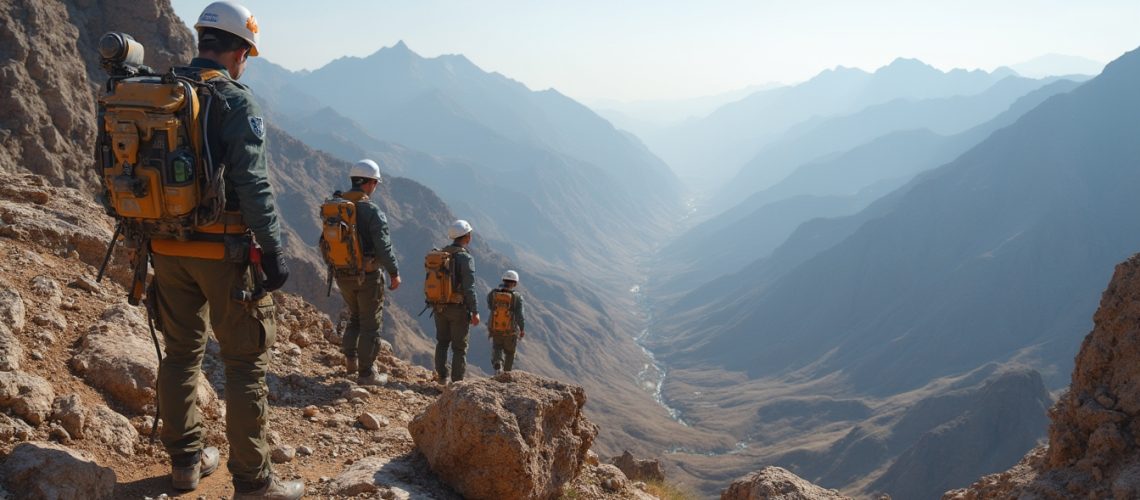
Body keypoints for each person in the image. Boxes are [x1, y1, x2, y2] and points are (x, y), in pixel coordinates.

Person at [150, 2, 303, 498]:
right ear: (238, 51)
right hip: (225, 256)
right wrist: (274, 250)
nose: (246, 63)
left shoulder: (161, 92)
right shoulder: (234, 100)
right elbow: (253, 184)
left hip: (166, 247)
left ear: (202, 42)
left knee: (179, 355)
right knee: (243, 366)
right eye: (247, 54)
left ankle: (185, 465)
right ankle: (254, 483)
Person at [330, 159, 401, 385]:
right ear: (370, 183)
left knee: (355, 317)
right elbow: (384, 246)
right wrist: (394, 272)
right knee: (370, 324)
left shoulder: (336, 206)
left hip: (342, 275)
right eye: (376, 183)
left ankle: (351, 361)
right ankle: (367, 374)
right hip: (367, 277)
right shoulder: (371, 211)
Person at [433, 220, 479, 383]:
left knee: (442, 342)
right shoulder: (465, 258)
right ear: (466, 236)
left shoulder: (440, 254)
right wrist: (474, 311)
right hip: (458, 309)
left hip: (439, 306)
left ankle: (441, 378)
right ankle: (457, 383)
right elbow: (469, 288)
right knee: (459, 348)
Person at [487, 270, 526, 374]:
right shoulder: (517, 297)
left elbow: (490, 306)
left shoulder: (493, 293)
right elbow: (520, 315)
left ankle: (498, 363)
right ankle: (506, 373)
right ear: (515, 283)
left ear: (503, 280)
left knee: (497, 347)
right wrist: (522, 328)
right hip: (510, 331)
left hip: (495, 328)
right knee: (510, 352)